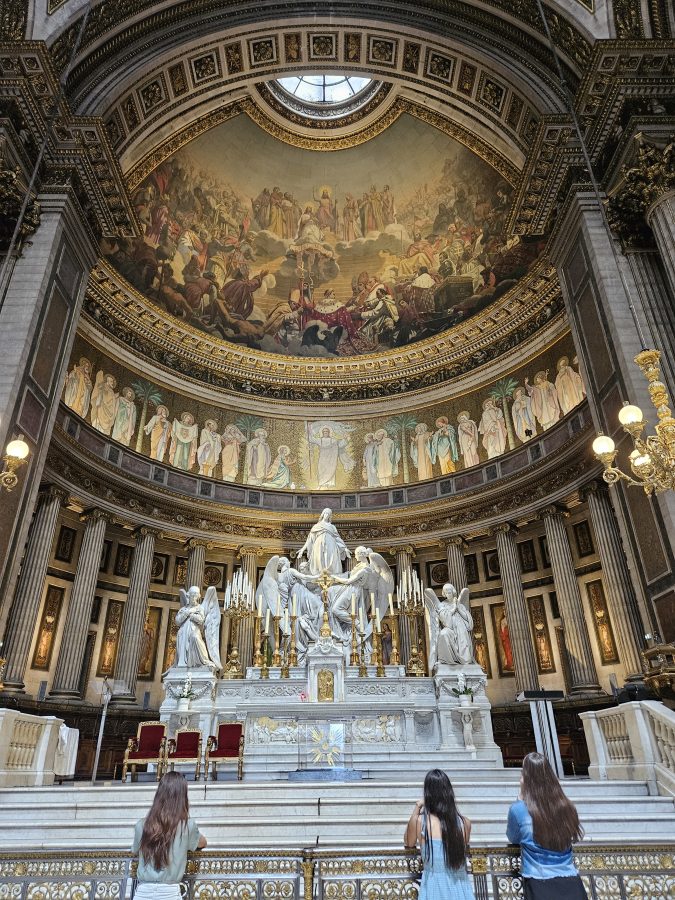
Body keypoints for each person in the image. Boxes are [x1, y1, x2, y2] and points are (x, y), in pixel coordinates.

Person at [507, 752, 587, 900]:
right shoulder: (567, 806)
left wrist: (519, 799)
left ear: (525, 778)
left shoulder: (518, 810)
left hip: (539, 882)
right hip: (572, 882)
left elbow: (513, 837)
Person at [132, 771, 207, 899]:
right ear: (182, 797)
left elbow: (135, 851)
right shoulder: (187, 826)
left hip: (143, 892)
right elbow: (202, 843)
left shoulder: (142, 825)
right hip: (169, 892)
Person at [404, 769, 474, 900]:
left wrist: (417, 807)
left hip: (433, 886)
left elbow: (408, 842)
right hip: (460, 887)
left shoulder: (421, 822)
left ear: (427, 794)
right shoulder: (465, 823)